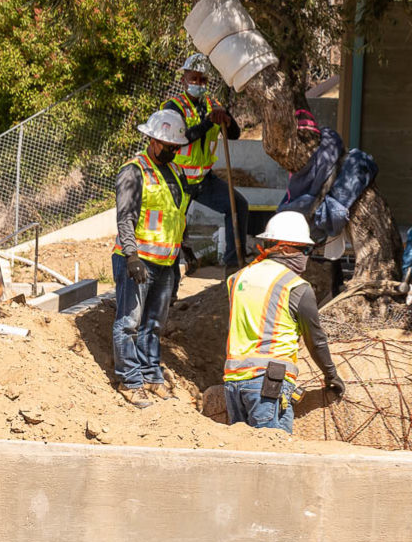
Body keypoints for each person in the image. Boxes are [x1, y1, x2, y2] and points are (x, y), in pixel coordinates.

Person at [223, 211, 345, 433]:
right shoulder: (296, 286)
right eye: (305, 250)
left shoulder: (237, 278)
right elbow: (315, 340)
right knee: (273, 451)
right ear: (286, 248)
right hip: (269, 382)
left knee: (244, 455)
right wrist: (331, 375)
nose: (307, 256)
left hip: (233, 381)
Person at [111, 108, 192, 408]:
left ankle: (149, 374)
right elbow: (126, 218)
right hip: (138, 261)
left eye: (177, 147)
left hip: (166, 262)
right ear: (153, 140)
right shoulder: (134, 171)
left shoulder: (175, 171)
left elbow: (176, 214)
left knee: (154, 324)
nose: (174, 151)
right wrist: (131, 257)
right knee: (129, 322)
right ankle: (130, 381)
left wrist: (184, 249)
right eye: (170, 146)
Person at [164, 53, 250, 269]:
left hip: (203, 179)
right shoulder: (173, 108)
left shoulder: (213, 104)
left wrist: (227, 120)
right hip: (179, 178)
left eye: (203, 80)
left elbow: (234, 134)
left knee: (237, 205)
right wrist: (207, 123)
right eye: (194, 79)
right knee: (174, 228)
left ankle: (233, 265)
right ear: (184, 79)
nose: (198, 84)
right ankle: (170, 286)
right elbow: (179, 140)